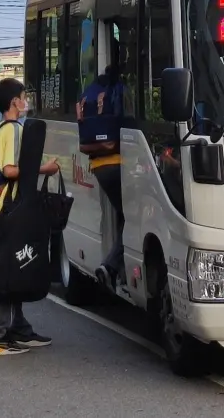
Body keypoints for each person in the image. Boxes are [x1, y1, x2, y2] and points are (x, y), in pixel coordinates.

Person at [0, 78, 59, 356]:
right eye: (23, 96)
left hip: (4, 210)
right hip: (8, 210)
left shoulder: (4, 129)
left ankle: (19, 328)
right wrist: (44, 169)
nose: (26, 101)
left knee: (16, 268)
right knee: (6, 273)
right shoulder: (12, 130)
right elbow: (10, 169)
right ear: (15, 101)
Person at [80, 64, 127, 289]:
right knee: (132, 219)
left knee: (122, 214)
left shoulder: (91, 90)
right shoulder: (120, 89)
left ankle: (118, 266)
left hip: (98, 163)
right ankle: (110, 266)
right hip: (118, 162)